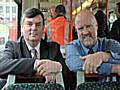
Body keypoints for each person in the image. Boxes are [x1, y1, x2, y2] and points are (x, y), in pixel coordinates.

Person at [0, 8, 65, 89]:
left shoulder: (53, 48)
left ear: (43, 28)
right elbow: (2, 65)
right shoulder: (13, 47)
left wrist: (59, 67)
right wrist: (35, 64)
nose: (34, 28)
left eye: (38, 24)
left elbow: (70, 79)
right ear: (22, 28)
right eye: (29, 24)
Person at [66, 9, 120, 82]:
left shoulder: (111, 44)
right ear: (76, 31)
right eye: (80, 28)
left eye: (88, 26)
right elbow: (74, 64)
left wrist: (105, 56)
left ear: (96, 26)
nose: (85, 32)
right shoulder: (72, 46)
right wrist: (114, 68)